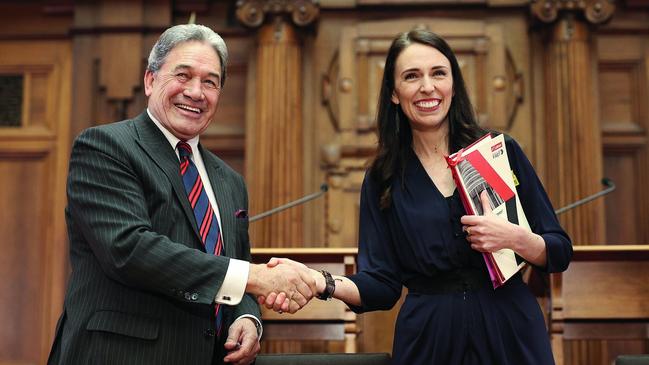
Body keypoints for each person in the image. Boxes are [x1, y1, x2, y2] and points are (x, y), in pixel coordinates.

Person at [261, 29, 572, 365]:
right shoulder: (383, 178)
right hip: (429, 339)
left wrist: (517, 239)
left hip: (511, 330)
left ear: (453, 84)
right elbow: (381, 284)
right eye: (412, 76)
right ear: (394, 93)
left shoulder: (498, 152)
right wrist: (318, 282)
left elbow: (559, 251)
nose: (428, 87)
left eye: (439, 73)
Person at [48, 24, 316, 365]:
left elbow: (236, 261)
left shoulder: (230, 181)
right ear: (150, 80)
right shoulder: (106, 147)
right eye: (183, 75)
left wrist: (247, 319)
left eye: (210, 81)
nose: (195, 92)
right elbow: (129, 249)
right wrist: (255, 278)